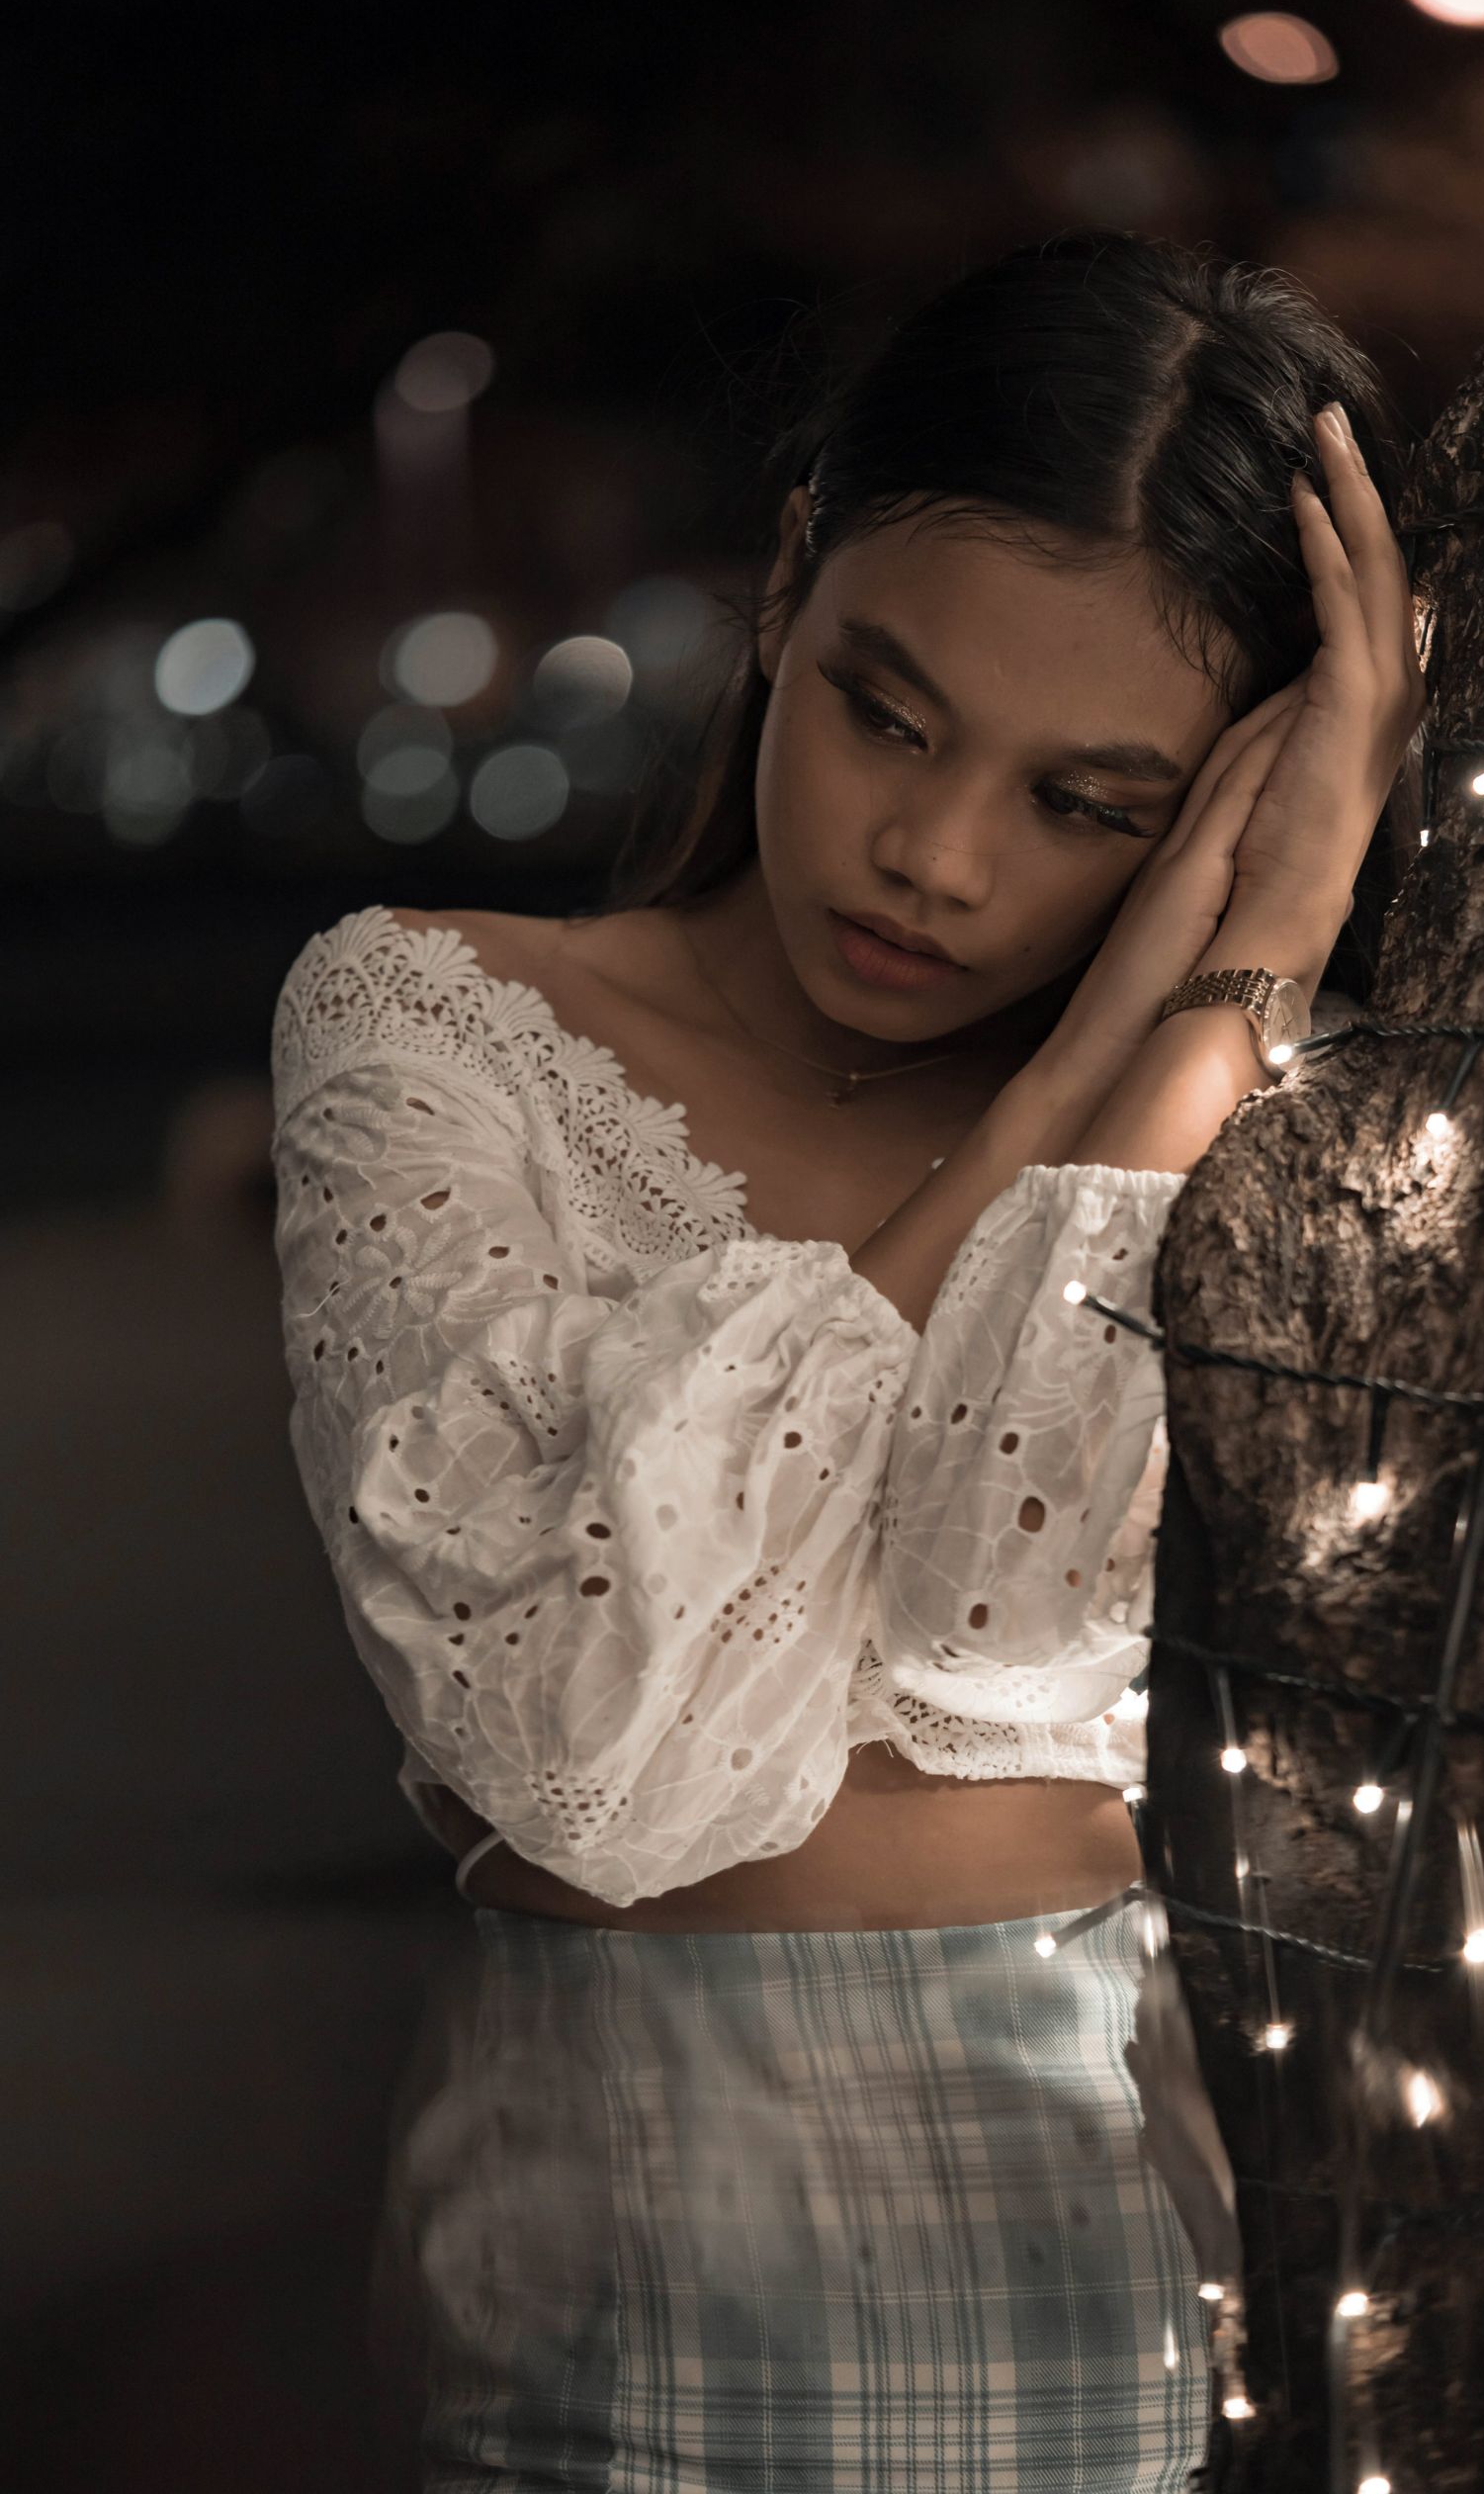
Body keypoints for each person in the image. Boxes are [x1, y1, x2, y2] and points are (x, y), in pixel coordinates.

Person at [269, 229, 1425, 2489]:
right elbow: (582, 1753)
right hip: (599, 2244)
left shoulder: (1283, 1135)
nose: (929, 853)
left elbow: (1022, 1616)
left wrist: (1234, 995)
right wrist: (1067, 1068)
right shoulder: (433, 1022)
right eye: (887, 711)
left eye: (1088, 804)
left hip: (1086, 2260)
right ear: (792, 572)